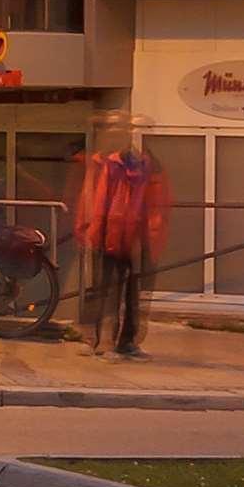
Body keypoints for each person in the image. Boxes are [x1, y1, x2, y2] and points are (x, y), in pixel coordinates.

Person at [66, 124, 171, 359]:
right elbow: (95, 203)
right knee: (107, 291)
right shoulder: (109, 165)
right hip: (114, 237)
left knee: (126, 294)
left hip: (128, 239)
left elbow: (156, 206)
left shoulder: (136, 166)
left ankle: (117, 341)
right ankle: (103, 340)